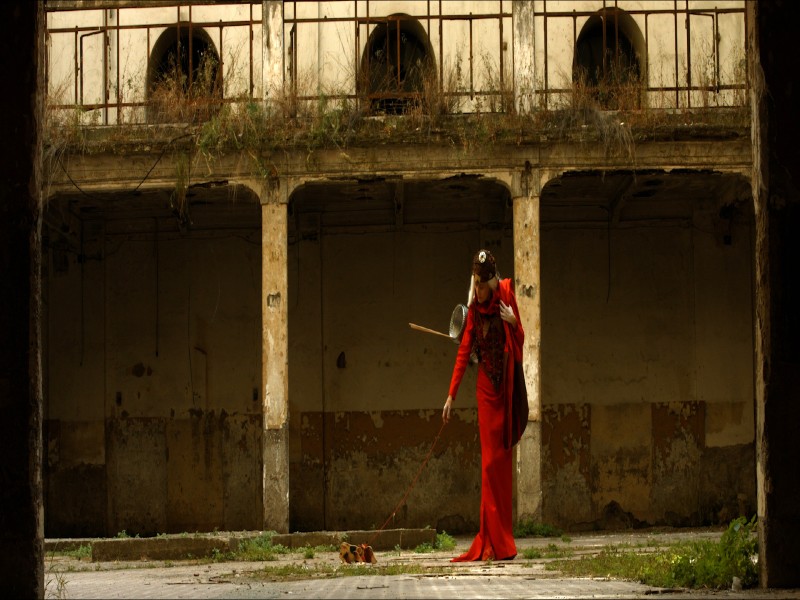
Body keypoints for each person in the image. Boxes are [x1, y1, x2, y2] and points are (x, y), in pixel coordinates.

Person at [442, 249, 524, 562]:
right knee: (488, 466)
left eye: (481, 283)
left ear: (490, 282)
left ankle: (502, 541)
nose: (476, 289)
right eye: (474, 283)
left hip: (505, 392)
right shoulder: (474, 312)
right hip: (486, 393)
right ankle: (489, 541)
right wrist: (451, 396)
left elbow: (520, 339)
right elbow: (464, 353)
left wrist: (513, 321)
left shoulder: (505, 299)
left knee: (500, 468)